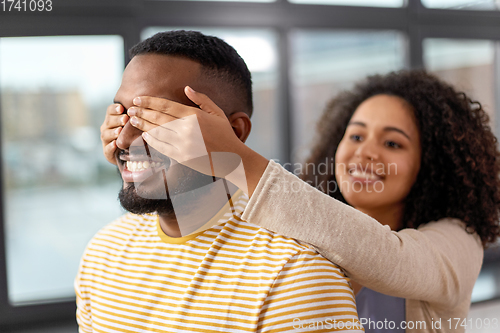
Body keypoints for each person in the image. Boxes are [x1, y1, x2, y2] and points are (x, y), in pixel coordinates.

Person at [101, 69, 500, 333]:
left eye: (393, 143)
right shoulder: (299, 219)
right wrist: (141, 158)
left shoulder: (458, 242)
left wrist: (234, 157)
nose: (365, 153)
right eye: (356, 136)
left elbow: (384, 255)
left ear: (431, 164)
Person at [79, 30, 363, 333]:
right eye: (122, 114)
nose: (123, 139)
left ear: (235, 133)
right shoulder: (102, 254)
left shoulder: (296, 277)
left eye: (154, 118)